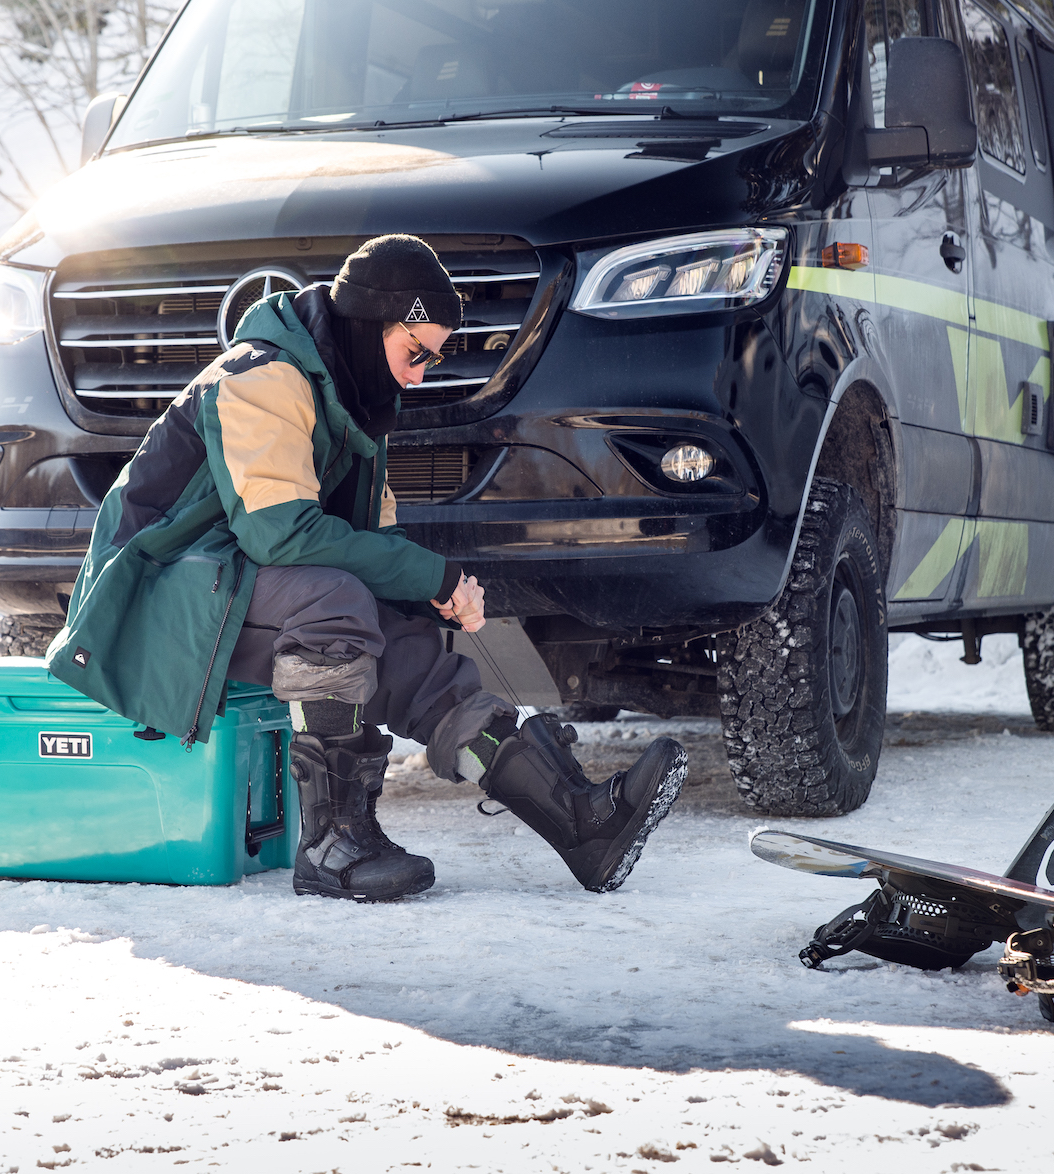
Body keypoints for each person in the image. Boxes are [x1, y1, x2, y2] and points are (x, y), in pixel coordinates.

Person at [48, 234, 687, 902]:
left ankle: (579, 821)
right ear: (367, 324)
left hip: (230, 585)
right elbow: (280, 535)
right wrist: (432, 576)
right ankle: (330, 844)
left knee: (405, 644)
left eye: (432, 359)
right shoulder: (262, 376)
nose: (420, 376)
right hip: (148, 597)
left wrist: (427, 597)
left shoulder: (352, 403)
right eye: (415, 353)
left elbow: (370, 542)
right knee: (333, 603)